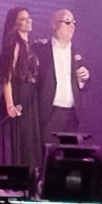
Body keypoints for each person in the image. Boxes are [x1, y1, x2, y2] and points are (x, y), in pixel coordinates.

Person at [0, 7, 43, 170]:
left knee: (27, 141)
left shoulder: (29, 46)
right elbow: (6, 77)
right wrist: (10, 105)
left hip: (29, 98)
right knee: (17, 141)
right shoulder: (14, 44)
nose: (28, 21)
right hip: (18, 96)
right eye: (23, 19)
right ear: (14, 24)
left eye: (29, 17)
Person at [33, 8, 91, 143]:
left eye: (74, 23)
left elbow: (87, 85)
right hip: (50, 113)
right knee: (49, 151)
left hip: (72, 115)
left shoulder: (79, 51)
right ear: (54, 24)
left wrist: (83, 80)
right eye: (67, 22)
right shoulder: (41, 50)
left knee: (70, 153)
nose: (72, 26)